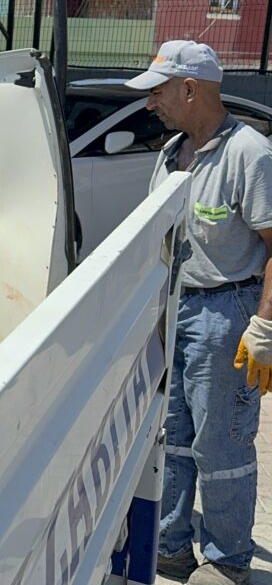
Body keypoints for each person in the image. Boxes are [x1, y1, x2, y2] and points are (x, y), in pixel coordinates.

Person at [133, 41, 272, 585]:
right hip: (177, 308)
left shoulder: (249, 155)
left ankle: (225, 558)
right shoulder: (173, 154)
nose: (150, 105)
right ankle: (171, 545)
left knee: (223, 441)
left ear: (190, 89)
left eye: (159, 92)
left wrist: (264, 324)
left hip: (227, 311)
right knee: (174, 433)